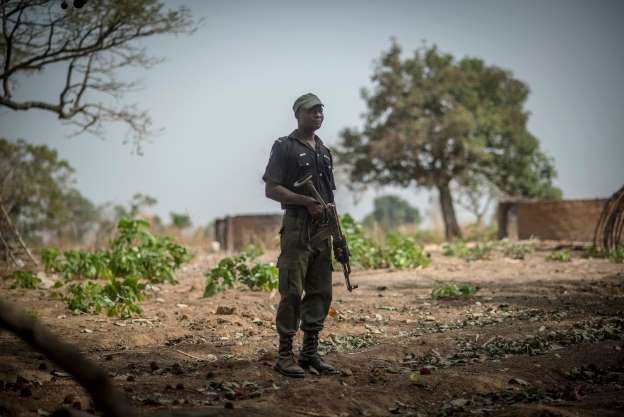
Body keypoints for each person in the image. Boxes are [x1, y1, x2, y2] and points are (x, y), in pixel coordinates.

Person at [262, 93, 339, 378]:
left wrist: (338, 235)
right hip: (297, 227)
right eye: (311, 110)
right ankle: (284, 356)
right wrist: (305, 201)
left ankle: (309, 354)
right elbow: (271, 189)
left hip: (323, 230)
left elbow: (330, 196)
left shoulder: (324, 151)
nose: (318, 114)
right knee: (292, 291)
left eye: (321, 109)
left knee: (321, 292)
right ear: (298, 114)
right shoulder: (284, 146)